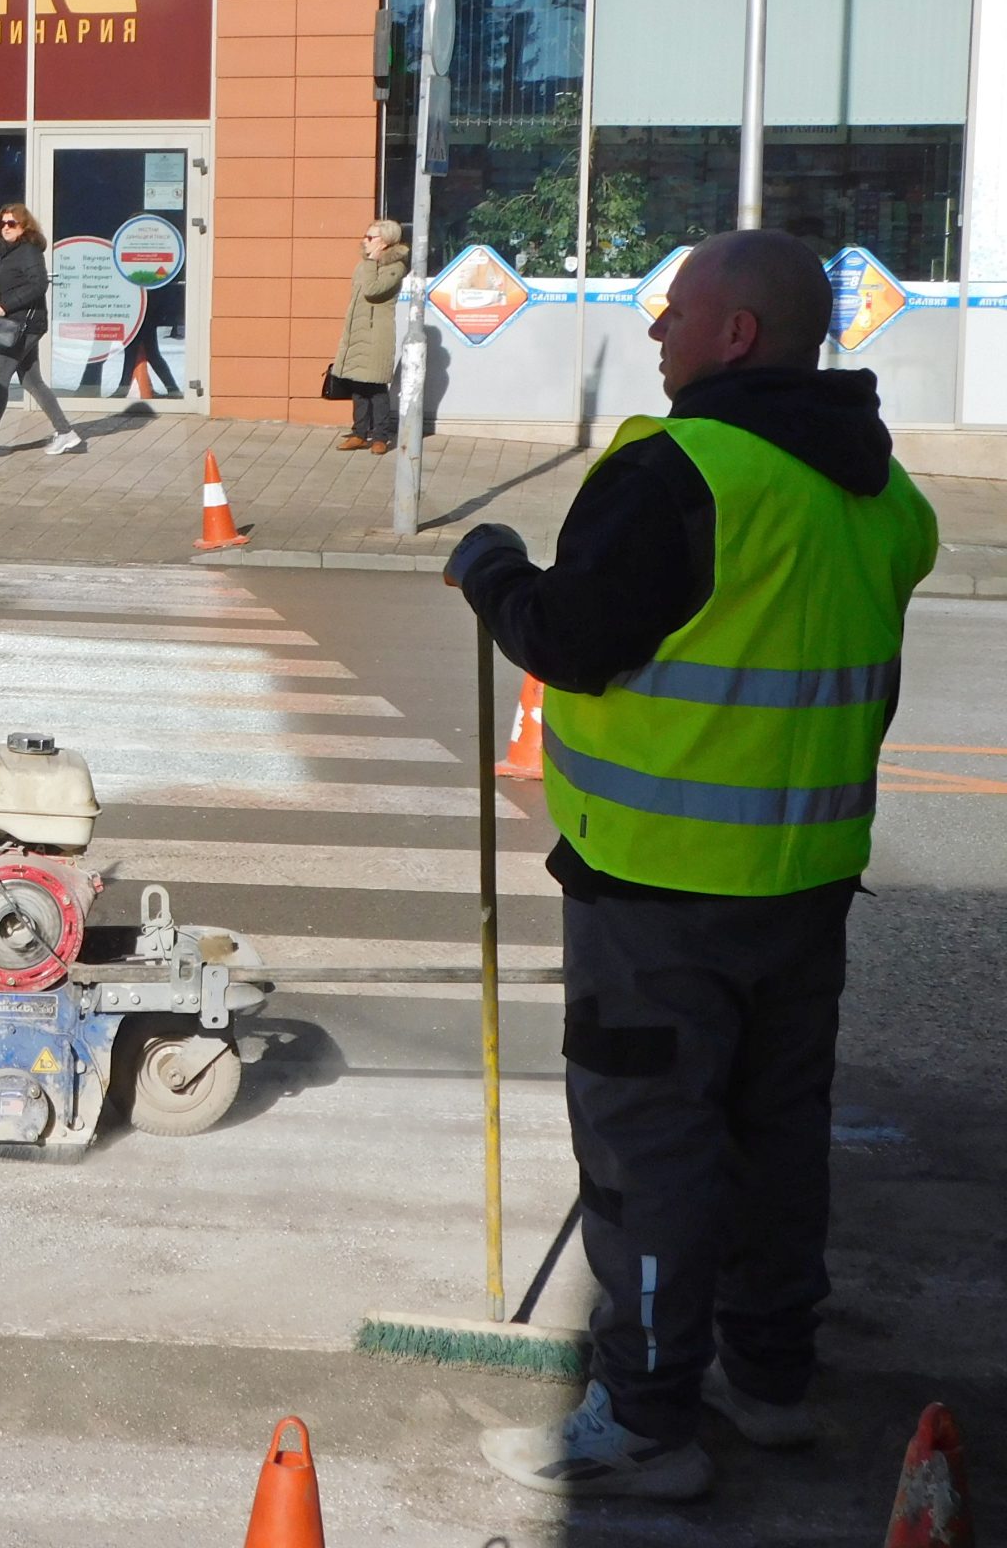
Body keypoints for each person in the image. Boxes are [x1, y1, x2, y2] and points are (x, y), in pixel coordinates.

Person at [445, 229, 938, 1501]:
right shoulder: (881, 495)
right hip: (806, 883)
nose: (655, 330)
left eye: (675, 312)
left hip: (660, 894)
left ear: (735, 336)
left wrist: (492, 569)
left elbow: (572, 637)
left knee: (649, 1153)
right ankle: (768, 1383)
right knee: (776, 1142)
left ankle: (647, 1419)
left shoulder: (683, 474)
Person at [0, 201, 82, 459]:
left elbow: (38, 285)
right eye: (2, 223)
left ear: (24, 226)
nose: (6, 227)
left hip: (22, 325)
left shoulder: (28, 252)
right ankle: (66, 433)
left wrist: (7, 305)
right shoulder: (10, 253)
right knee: (32, 381)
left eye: (11, 223)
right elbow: (14, 285)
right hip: (19, 324)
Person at [332, 218, 410, 453]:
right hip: (357, 330)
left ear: (385, 242)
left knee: (375, 386)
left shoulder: (394, 267)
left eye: (370, 237)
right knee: (357, 384)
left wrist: (371, 263)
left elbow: (372, 290)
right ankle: (359, 432)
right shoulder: (364, 265)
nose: (363, 241)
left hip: (377, 333)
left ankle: (380, 436)